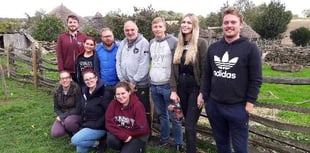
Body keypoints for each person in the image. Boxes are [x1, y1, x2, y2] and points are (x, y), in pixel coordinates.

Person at [203, 6, 262, 153]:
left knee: (240, 148)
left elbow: (256, 79)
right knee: (221, 145)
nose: (229, 25)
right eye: (226, 22)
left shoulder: (250, 48)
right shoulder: (213, 48)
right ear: (222, 25)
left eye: (233, 22)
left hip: (238, 107)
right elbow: (207, 74)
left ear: (240, 25)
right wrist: (205, 97)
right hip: (215, 106)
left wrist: (249, 104)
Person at [169, 13, 208, 153]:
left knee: (191, 125)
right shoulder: (178, 45)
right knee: (185, 122)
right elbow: (173, 70)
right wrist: (174, 90)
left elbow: (205, 70)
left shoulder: (201, 43)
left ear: (194, 26)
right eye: (183, 22)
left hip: (195, 89)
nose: (185, 25)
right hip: (181, 88)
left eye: (189, 23)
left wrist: (202, 93)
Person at [149, 17, 183, 151]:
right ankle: (164, 140)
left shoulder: (173, 42)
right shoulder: (151, 42)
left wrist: (176, 86)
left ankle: (178, 143)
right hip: (154, 85)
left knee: (176, 116)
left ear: (165, 28)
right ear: (152, 28)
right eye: (155, 27)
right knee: (162, 115)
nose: (157, 29)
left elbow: (177, 64)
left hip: (168, 86)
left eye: (160, 26)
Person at [116, 20, 152, 138]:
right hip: (125, 83)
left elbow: (144, 64)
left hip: (140, 84)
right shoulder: (123, 43)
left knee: (142, 109)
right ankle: (133, 131)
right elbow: (118, 61)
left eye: (132, 30)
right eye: (127, 30)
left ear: (137, 30)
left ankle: (146, 134)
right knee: (129, 109)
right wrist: (122, 80)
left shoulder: (144, 43)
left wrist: (133, 82)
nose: (130, 32)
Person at [105, 81, 150, 153]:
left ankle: (139, 148)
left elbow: (142, 128)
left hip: (137, 136)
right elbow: (108, 123)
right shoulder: (113, 104)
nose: (120, 96)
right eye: (118, 94)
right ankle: (126, 147)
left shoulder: (138, 106)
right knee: (111, 140)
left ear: (129, 92)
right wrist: (123, 136)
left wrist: (126, 134)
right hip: (123, 133)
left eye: (123, 93)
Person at [71, 68, 107, 153]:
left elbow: (108, 114)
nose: (89, 81)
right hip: (86, 125)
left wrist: (96, 125)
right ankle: (96, 143)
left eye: (91, 78)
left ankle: (99, 143)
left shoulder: (104, 92)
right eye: (86, 79)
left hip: (99, 127)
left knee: (75, 140)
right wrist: (64, 116)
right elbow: (79, 108)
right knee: (80, 148)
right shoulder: (84, 92)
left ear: (96, 78)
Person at [56, 15, 87, 82]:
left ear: (78, 24)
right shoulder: (61, 38)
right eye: (70, 22)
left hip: (82, 70)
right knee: (69, 91)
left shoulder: (84, 37)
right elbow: (59, 55)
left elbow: (87, 53)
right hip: (67, 71)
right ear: (67, 24)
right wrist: (61, 71)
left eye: (74, 22)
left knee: (81, 90)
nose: (72, 24)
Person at [51, 70, 81, 138]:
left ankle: (76, 133)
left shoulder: (76, 89)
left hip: (75, 114)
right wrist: (61, 116)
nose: (65, 80)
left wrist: (63, 117)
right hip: (63, 114)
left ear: (70, 79)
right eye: (62, 78)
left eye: (67, 78)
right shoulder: (56, 91)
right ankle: (68, 130)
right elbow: (56, 108)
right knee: (55, 133)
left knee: (69, 122)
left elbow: (78, 109)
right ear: (60, 81)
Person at [96, 27, 119, 105]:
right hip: (105, 85)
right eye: (105, 37)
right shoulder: (97, 50)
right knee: (106, 106)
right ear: (101, 38)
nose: (108, 38)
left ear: (113, 36)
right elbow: (96, 67)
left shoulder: (120, 48)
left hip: (119, 84)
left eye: (109, 36)